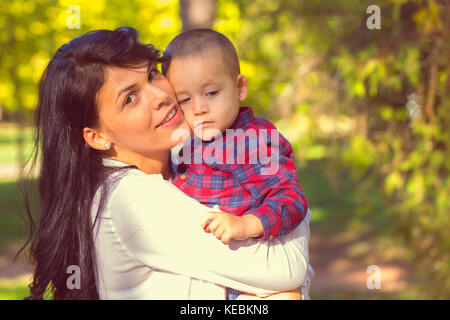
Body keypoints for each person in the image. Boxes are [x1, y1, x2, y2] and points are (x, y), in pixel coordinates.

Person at [20, 27, 313, 300]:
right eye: (131, 98)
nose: (160, 96)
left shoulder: (184, 162)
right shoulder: (132, 199)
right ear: (97, 137)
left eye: (151, 75)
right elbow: (288, 269)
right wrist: (292, 196)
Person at [162, 29, 310, 299]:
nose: (199, 108)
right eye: (185, 99)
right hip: (210, 278)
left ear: (240, 87)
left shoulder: (249, 142)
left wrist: (247, 224)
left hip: (250, 281)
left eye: (211, 92)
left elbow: (291, 199)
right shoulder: (189, 142)